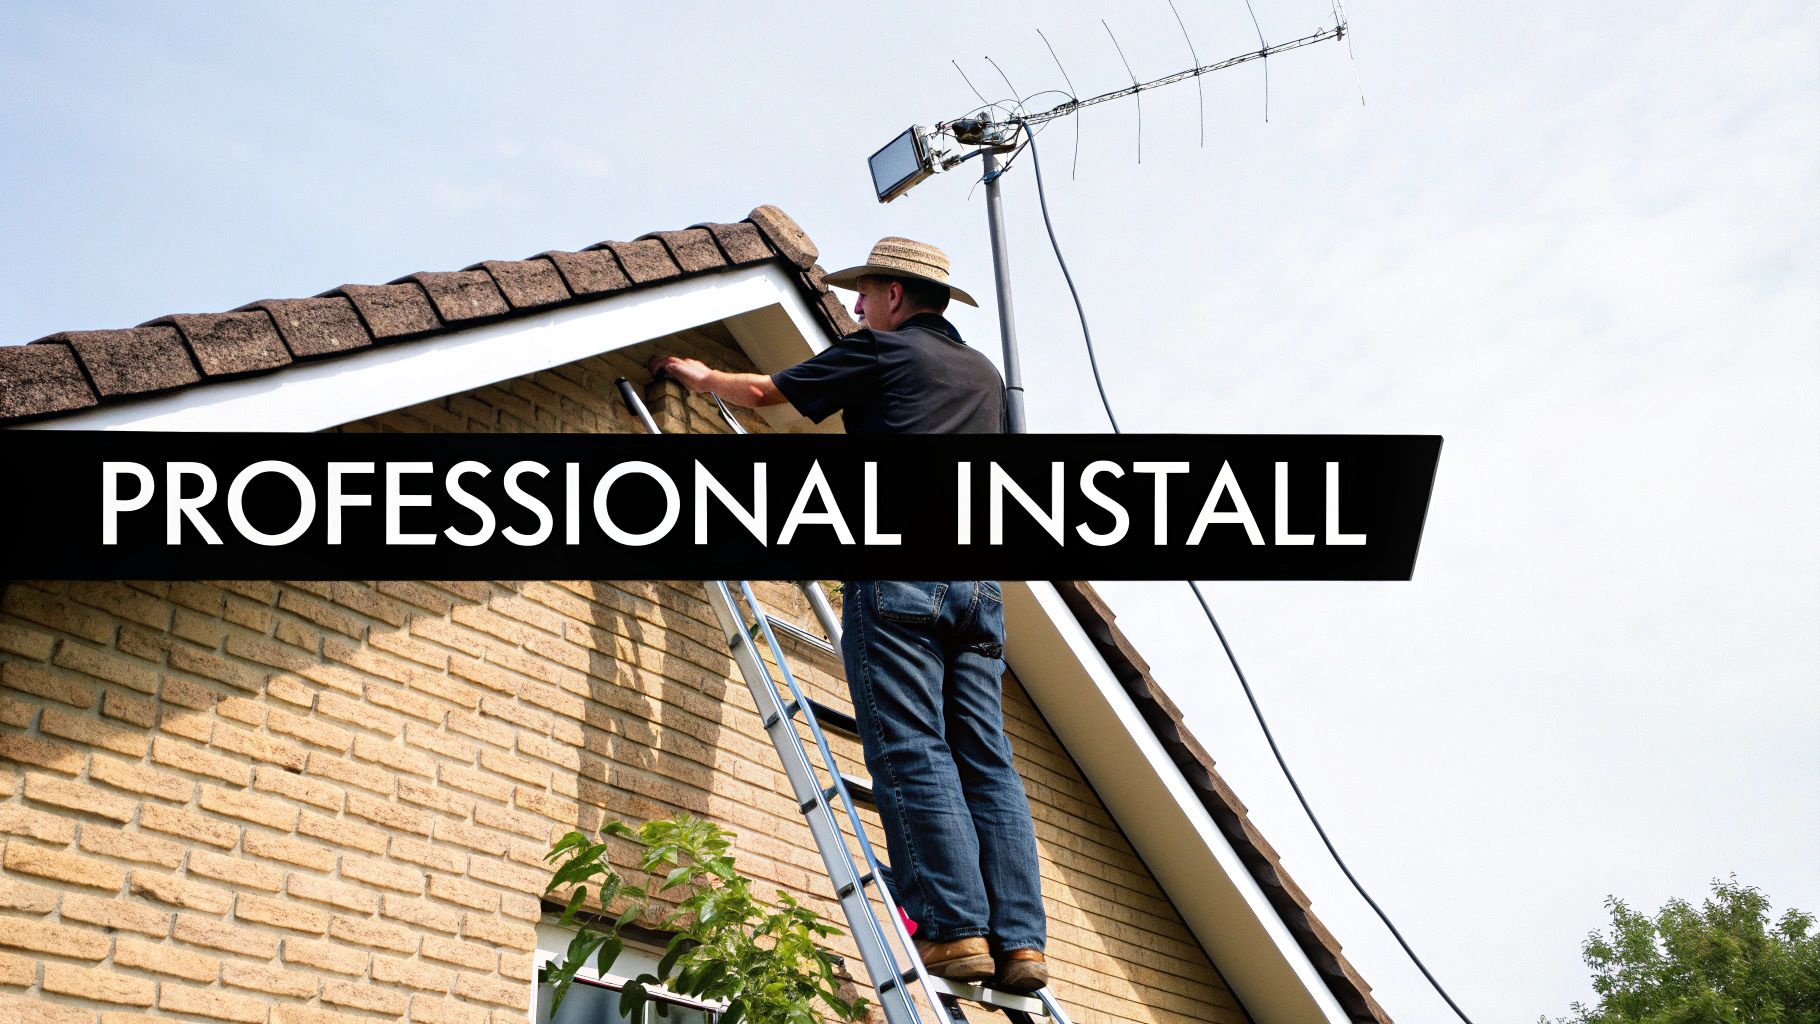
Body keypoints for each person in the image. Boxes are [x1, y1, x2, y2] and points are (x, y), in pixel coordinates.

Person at [648, 237, 1048, 994]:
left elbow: (768, 394)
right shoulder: (986, 378)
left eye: (864, 293)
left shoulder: (883, 351)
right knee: (986, 762)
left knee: (912, 747)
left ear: (895, 295)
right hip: (980, 589)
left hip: (900, 574)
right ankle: (1022, 944)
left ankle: (956, 928)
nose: (856, 306)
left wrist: (701, 376)